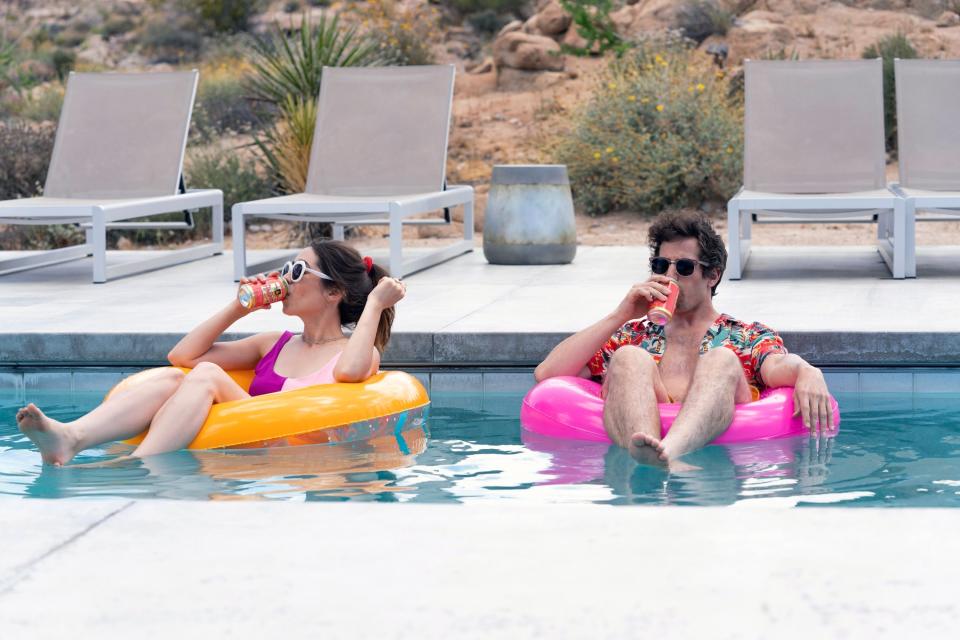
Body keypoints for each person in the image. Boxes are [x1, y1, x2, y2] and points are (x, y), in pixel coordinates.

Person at [16, 240, 405, 466]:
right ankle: (73, 436)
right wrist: (240, 307)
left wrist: (373, 304)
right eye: (286, 267)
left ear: (334, 293)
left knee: (206, 377)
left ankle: (133, 467)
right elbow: (182, 356)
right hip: (245, 439)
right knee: (175, 378)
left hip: (290, 452)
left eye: (298, 272)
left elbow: (352, 374)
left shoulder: (355, 353)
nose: (285, 278)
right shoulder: (274, 343)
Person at [534, 211, 834, 470]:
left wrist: (808, 371)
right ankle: (647, 456)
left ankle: (669, 452)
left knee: (722, 358)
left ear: (712, 275)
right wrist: (620, 314)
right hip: (639, 433)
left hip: (718, 456)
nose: (671, 276)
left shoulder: (744, 335)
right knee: (628, 357)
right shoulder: (634, 334)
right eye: (661, 265)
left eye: (685, 267)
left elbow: (779, 365)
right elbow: (547, 374)